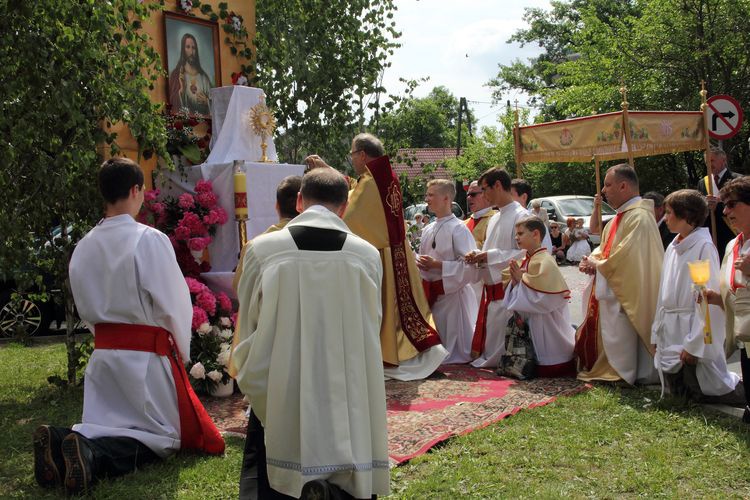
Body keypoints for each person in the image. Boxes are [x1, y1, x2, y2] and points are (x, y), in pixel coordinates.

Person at [33, 158, 224, 495]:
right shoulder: (148, 240)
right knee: (161, 438)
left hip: (104, 361)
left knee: (103, 424)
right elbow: (173, 304)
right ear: (136, 190)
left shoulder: (83, 246)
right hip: (147, 363)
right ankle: (91, 455)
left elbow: (84, 309)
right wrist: (179, 350)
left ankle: (66, 439)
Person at [233, 169, 389, 499]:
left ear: (300, 201)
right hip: (348, 388)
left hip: (283, 386)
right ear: (344, 207)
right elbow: (370, 324)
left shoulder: (261, 251)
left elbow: (248, 330)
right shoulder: (367, 256)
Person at [305, 134, 448, 380]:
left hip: (383, 257)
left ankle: (397, 355)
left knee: (387, 310)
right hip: (394, 252)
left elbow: (350, 212)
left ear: (362, 154)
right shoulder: (380, 176)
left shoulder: (373, 182)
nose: (352, 160)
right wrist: (328, 170)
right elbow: (355, 189)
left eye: (352, 155)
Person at [651, 189, 742, 404]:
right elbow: (662, 292)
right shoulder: (673, 247)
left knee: (708, 384)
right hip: (670, 322)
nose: (665, 218)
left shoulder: (703, 246)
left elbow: (708, 297)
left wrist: (695, 342)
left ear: (688, 216)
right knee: (678, 386)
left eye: (670, 213)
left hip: (692, 321)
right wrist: (656, 331)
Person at [576, 164, 663, 385]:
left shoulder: (640, 218)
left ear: (623, 185)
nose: (603, 191)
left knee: (623, 333)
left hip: (627, 290)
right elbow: (606, 248)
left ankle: (624, 372)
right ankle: (612, 369)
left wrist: (597, 263)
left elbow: (627, 258)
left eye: (607, 185)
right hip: (611, 287)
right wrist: (591, 259)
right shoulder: (618, 217)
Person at [464, 167, 527, 368]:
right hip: (491, 288)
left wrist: (488, 255)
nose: (483, 195)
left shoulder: (521, 215)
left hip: (508, 288)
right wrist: (479, 256)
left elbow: (525, 253)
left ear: (498, 185)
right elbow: (493, 250)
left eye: (484, 189)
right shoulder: (496, 217)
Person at [504, 216, 576, 377]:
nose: (516, 237)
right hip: (534, 319)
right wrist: (516, 283)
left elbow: (548, 299)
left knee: (549, 356)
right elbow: (526, 288)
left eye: (521, 234)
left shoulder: (545, 261)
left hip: (548, 320)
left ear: (535, 234)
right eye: (516, 234)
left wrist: (521, 280)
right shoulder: (527, 259)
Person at [417, 179, 479, 364]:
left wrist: (438, 265)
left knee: (455, 347)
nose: (427, 199)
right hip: (433, 292)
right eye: (427, 195)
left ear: (446, 198)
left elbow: (470, 265)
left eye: (431, 195)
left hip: (453, 294)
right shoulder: (428, 228)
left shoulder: (459, 228)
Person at [707, 177, 750, 420]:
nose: (726, 211)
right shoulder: (733, 244)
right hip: (745, 333)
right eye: (725, 205)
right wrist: (718, 298)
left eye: (732, 205)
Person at [232, 175, 302, 293]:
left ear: (277, 206)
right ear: (302, 206)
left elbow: (239, 288)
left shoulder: (253, 247)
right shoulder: (323, 242)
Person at [697, 146, 742, 260]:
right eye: (707, 161)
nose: (709, 164)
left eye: (712, 160)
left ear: (723, 160)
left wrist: (720, 204)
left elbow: (742, 205)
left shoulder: (737, 180)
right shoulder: (703, 183)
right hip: (711, 234)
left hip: (731, 231)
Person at [168, 33, 213, 115]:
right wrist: (181, 90)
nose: (191, 52)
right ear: (183, 49)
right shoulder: (176, 75)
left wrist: (207, 102)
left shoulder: (204, 78)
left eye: (194, 48)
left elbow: (215, 103)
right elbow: (171, 102)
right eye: (188, 47)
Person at [510, 178, 553, 253]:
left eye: (511, 195)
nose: (508, 199)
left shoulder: (535, 222)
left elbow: (545, 251)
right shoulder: (504, 218)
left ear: (524, 197)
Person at [464, 180, 497, 248]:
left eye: (473, 194)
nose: (468, 198)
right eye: (468, 195)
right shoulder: (464, 223)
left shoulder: (495, 219)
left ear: (485, 194)